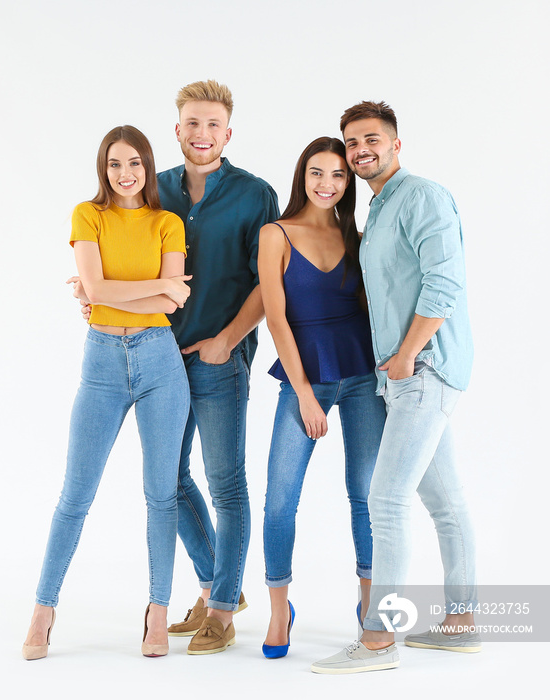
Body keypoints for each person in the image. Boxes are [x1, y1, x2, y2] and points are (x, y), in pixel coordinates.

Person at [81, 81, 279, 653]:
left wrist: (227, 340)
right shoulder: (153, 189)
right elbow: (118, 257)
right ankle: (224, 583)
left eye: (213, 125)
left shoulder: (255, 195)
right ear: (177, 130)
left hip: (221, 359)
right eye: (192, 124)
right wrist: (92, 292)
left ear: (228, 133)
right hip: (158, 356)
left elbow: (270, 283)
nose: (202, 134)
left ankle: (219, 606)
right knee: (166, 480)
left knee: (226, 484)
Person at [311, 101, 478, 674]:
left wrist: (406, 355)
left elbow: (445, 282)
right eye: (353, 142)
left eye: (372, 139)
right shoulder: (378, 210)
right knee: (445, 502)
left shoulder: (423, 196)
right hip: (403, 378)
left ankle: (379, 639)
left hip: (424, 369)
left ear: (396, 143)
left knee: (386, 500)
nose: (361, 150)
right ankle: (462, 622)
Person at [23, 125, 191, 660]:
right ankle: (43, 610)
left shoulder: (168, 222)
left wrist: (121, 295)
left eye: (136, 163)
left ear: (148, 166)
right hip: (101, 361)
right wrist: (156, 289)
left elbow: (169, 306)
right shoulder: (87, 215)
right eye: (116, 164)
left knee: (161, 494)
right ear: (104, 168)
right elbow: (99, 293)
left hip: (161, 361)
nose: (126, 173)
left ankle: (158, 610)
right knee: (76, 495)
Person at [258, 137, 386, 659]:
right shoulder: (276, 234)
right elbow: (275, 317)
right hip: (303, 378)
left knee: (367, 495)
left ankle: (369, 603)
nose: (327, 184)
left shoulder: (357, 236)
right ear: (302, 176)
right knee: (279, 500)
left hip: (362, 376)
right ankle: (278, 610)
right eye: (317, 173)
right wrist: (306, 396)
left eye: (338, 175)